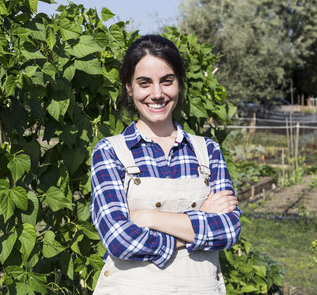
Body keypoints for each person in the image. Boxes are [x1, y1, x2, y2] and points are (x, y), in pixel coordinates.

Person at [90, 35, 241, 294]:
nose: (157, 94)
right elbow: (120, 239)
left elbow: (229, 229)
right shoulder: (110, 152)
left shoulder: (207, 151)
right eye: (144, 83)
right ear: (128, 87)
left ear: (179, 84)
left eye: (167, 81)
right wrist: (201, 217)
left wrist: (148, 217)